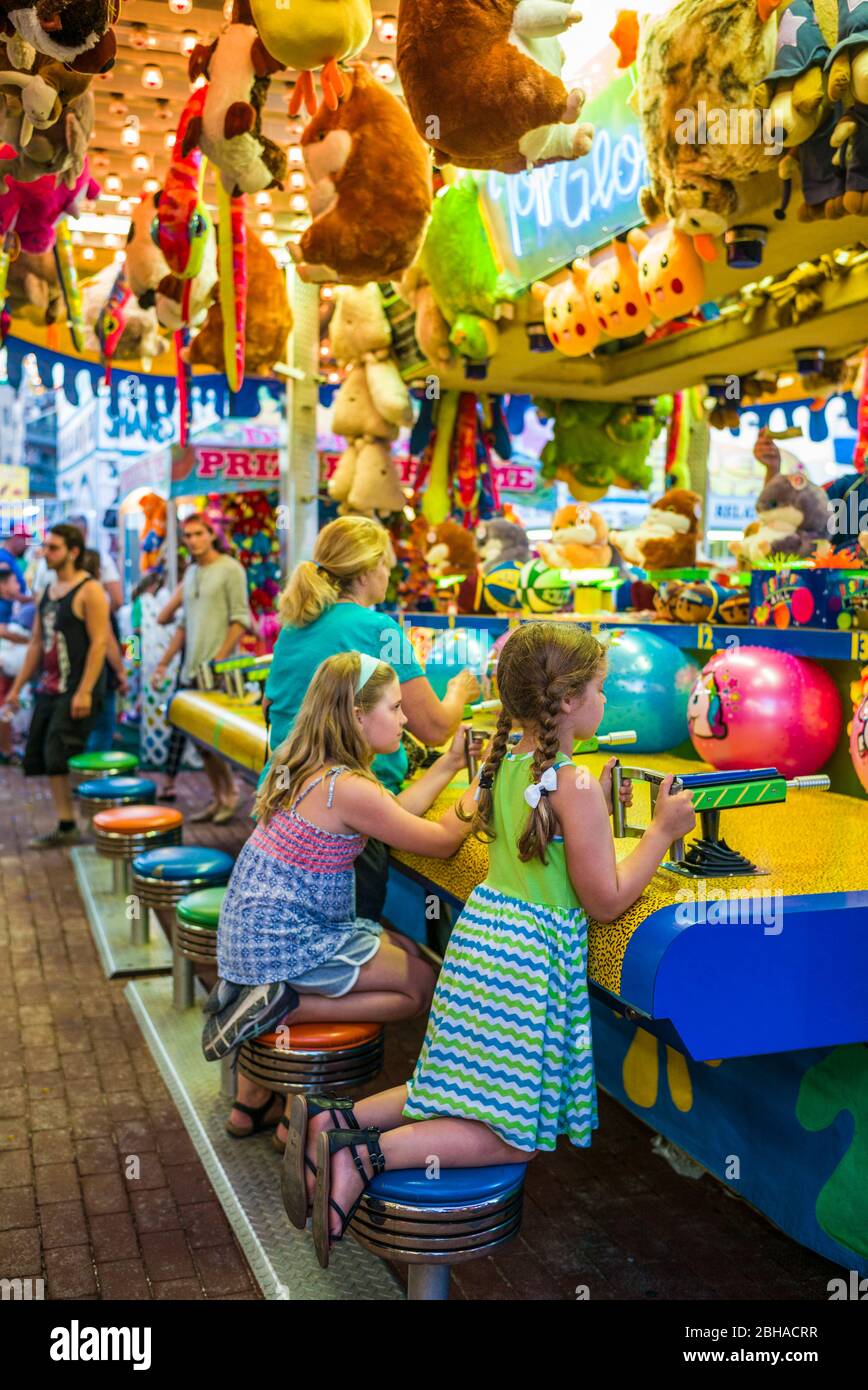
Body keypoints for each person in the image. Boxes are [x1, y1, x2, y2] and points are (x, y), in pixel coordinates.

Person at [280, 622, 698, 1267]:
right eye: (600, 689)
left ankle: (334, 1121)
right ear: (566, 702)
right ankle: (364, 1155)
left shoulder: (506, 762)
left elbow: (546, 841)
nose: (605, 702)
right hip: (528, 966)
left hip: (483, 944)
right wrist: (664, 831)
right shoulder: (573, 783)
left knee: (442, 1087)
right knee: (516, 1137)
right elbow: (606, 899)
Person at [203, 650, 484, 1145]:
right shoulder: (346, 785)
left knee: (415, 957)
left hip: (256, 933)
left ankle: (272, 1014)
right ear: (357, 714)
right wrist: (482, 788)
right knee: (420, 987)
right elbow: (439, 841)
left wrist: (450, 764)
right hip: (284, 942)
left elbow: (391, 816)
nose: (404, 720)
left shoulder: (310, 763)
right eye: (395, 708)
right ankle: (280, 1003)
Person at [264, 516, 481, 920]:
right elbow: (434, 728)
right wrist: (458, 694)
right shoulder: (379, 628)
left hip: (284, 797)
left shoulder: (293, 627)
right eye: (387, 566)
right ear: (366, 571)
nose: (390, 575)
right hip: (349, 821)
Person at [1, 524, 109, 848]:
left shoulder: (90, 590)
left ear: (73, 552)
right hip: (49, 687)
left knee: (59, 751)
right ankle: (67, 822)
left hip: (76, 686)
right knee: (43, 755)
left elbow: (100, 642)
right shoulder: (49, 590)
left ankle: (77, 821)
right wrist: (17, 688)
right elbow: (37, 642)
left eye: (53, 547)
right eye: (46, 547)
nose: (45, 552)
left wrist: (86, 689)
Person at [152, 513, 253, 823]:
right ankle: (218, 796)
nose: (193, 540)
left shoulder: (230, 569)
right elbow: (182, 625)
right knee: (200, 742)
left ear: (212, 534)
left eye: (198, 534)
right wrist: (164, 663)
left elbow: (241, 619)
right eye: (188, 535)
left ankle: (230, 795)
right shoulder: (193, 572)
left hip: (217, 672)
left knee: (215, 740)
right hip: (191, 669)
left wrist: (220, 660)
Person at [80, 549, 129, 754]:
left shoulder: (73, 594)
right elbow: (107, 640)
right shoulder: (96, 597)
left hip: (78, 669)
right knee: (102, 727)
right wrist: (120, 672)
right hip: (100, 672)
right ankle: (92, 779)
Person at [0, 528, 29, 621]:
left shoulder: (11, 558)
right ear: (15, 538)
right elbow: (7, 589)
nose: (27, 546)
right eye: (25, 541)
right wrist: (34, 601)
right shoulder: (3, 558)